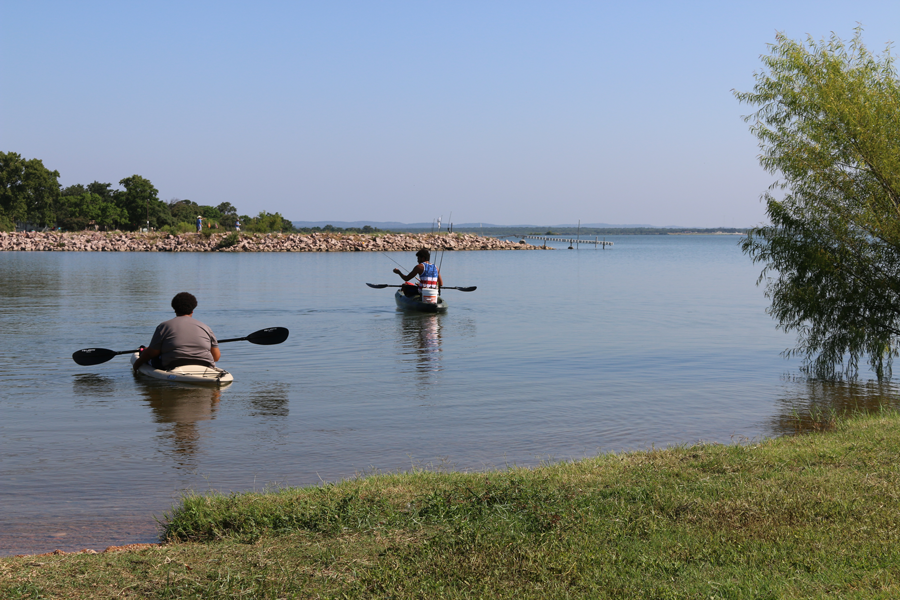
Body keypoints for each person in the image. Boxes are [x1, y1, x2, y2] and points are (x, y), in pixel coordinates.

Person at [132, 292, 221, 372]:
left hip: (173, 365)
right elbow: (216, 357)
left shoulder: (164, 326)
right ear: (193, 310)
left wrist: (136, 364)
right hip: (205, 365)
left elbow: (151, 354)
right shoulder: (206, 328)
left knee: (147, 354)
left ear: (174, 309)